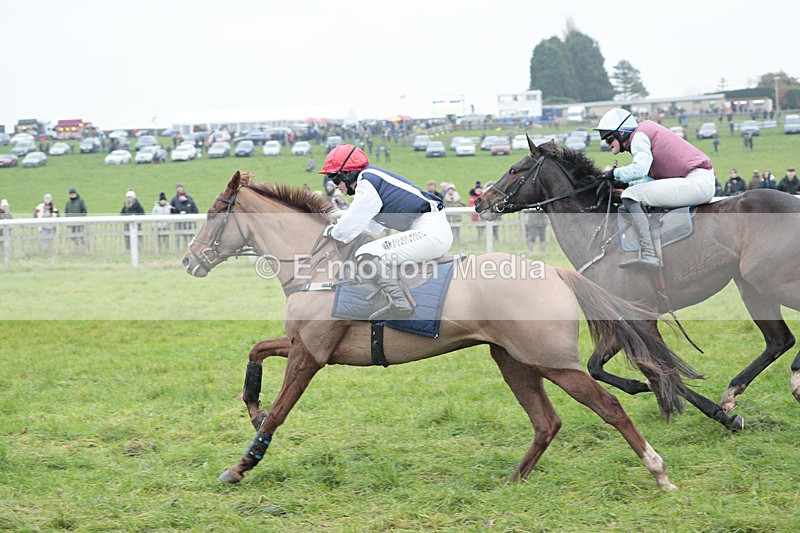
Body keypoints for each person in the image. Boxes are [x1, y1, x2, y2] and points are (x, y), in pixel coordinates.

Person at [319, 144, 452, 320]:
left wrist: (330, 232)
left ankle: (400, 303)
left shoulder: (367, 182)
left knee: (366, 253)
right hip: (429, 229)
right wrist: (338, 230)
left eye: (335, 179)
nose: (336, 186)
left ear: (347, 173)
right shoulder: (373, 181)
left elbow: (348, 226)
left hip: (430, 231)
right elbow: (370, 227)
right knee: (370, 251)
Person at [594, 108, 715, 269]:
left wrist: (614, 174)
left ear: (622, 132)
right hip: (696, 180)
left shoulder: (639, 136)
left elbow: (639, 170)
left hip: (697, 181)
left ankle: (649, 254)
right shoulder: (643, 132)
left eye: (609, 139)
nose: (607, 144)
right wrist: (623, 183)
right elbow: (648, 180)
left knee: (630, 196)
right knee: (631, 194)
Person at [171, 183, 199, 249]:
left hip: (189, 222)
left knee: (188, 236)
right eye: (178, 187)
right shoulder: (174, 199)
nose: (180, 189)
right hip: (178, 222)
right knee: (177, 236)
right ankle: (177, 249)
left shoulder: (190, 199)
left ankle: (189, 248)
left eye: (181, 187)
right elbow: (172, 210)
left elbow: (194, 210)